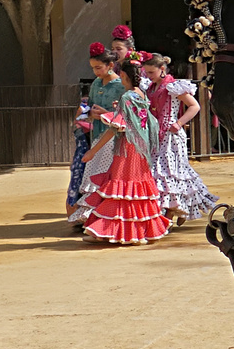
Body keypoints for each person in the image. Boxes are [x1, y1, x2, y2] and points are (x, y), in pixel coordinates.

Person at [72, 57, 172, 243]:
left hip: (125, 149)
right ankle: (140, 232)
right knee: (136, 189)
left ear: (124, 75)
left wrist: (93, 152)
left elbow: (115, 128)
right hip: (140, 150)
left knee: (120, 189)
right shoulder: (141, 95)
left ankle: (116, 231)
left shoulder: (127, 97)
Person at [141, 53, 217, 225]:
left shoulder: (173, 86)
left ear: (162, 69)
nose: (148, 76)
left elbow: (194, 106)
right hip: (155, 135)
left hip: (170, 136)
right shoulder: (151, 87)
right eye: (147, 73)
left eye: (151, 72)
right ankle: (178, 208)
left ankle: (169, 214)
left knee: (171, 174)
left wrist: (180, 122)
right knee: (164, 174)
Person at [66, 43, 111, 215]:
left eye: (99, 67)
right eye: (93, 68)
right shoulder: (96, 84)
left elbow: (125, 113)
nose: (96, 72)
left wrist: (107, 114)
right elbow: (87, 109)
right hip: (96, 135)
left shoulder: (120, 85)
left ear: (110, 65)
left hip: (116, 137)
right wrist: (90, 112)